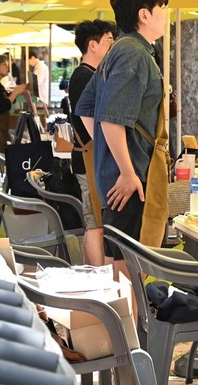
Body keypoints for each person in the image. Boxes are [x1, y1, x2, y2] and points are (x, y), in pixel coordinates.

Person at [75, 0, 168, 278]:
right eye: (162, 7)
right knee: (129, 269)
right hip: (130, 178)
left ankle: (126, 311)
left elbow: (87, 107)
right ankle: (131, 313)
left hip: (118, 175)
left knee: (120, 264)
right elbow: (111, 118)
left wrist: (107, 152)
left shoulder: (120, 49)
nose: (166, 14)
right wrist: (127, 171)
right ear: (145, 14)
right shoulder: (133, 53)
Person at [70, 19, 117, 266]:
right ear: (93, 45)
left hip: (90, 156)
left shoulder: (90, 74)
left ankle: (93, 273)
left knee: (96, 221)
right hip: (89, 156)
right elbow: (88, 120)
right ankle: (99, 277)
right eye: (109, 41)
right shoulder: (83, 77)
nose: (113, 46)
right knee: (95, 223)